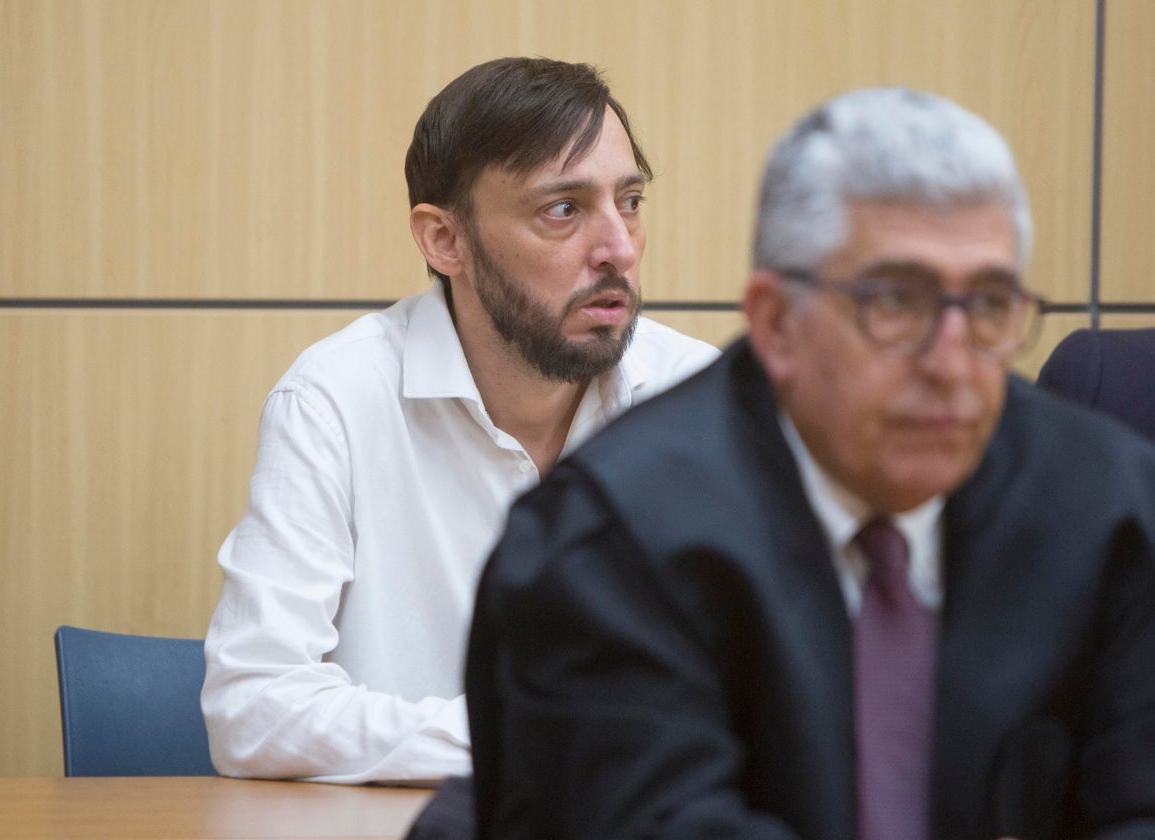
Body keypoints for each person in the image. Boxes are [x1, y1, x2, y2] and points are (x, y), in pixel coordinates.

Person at [466, 87, 1155, 839]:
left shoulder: (1109, 508)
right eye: (896, 303)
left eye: (989, 305)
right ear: (777, 322)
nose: (953, 365)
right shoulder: (608, 543)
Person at [201, 57, 719, 786]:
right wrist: (538, 738)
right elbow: (253, 707)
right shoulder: (337, 399)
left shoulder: (697, 398)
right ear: (446, 240)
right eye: (563, 210)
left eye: (628, 201)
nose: (619, 250)